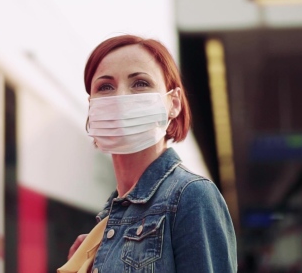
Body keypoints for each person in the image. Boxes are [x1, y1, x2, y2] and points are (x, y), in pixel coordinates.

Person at [62, 34, 237, 273]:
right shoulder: (105, 225)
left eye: (140, 83)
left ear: (173, 103)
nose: (121, 96)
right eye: (105, 86)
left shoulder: (192, 196)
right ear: (92, 106)